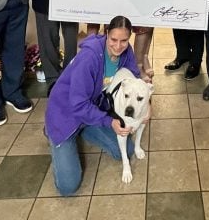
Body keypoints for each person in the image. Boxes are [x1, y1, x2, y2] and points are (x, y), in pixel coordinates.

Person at [45, 15, 142, 196]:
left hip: (92, 109)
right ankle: (52, 132)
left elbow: (135, 80)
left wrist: (147, 105)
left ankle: (85, 128)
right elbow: (78, 104)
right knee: (68, 187)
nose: (118, 46)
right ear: (106, 33)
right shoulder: (89, 57)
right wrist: (108, 121)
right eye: (113, 39)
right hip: (67, 114)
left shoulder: (126, 51)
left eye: (124, 40)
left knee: (127, 150)